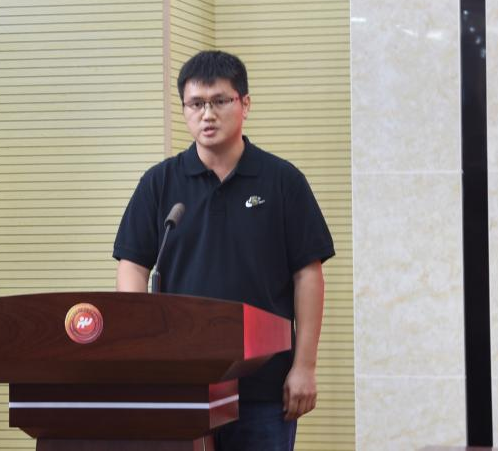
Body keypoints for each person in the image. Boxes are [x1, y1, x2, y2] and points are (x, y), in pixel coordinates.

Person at [113, 50, 335, 451]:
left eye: (219, 101)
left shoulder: (282, 180)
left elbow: (308, 274)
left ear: (244, 104)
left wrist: (304, 366)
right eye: (196, 104)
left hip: (263, 388)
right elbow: (133, 266)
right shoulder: (159, 183)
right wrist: (141, 355)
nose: (207, 114)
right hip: (179, 384)